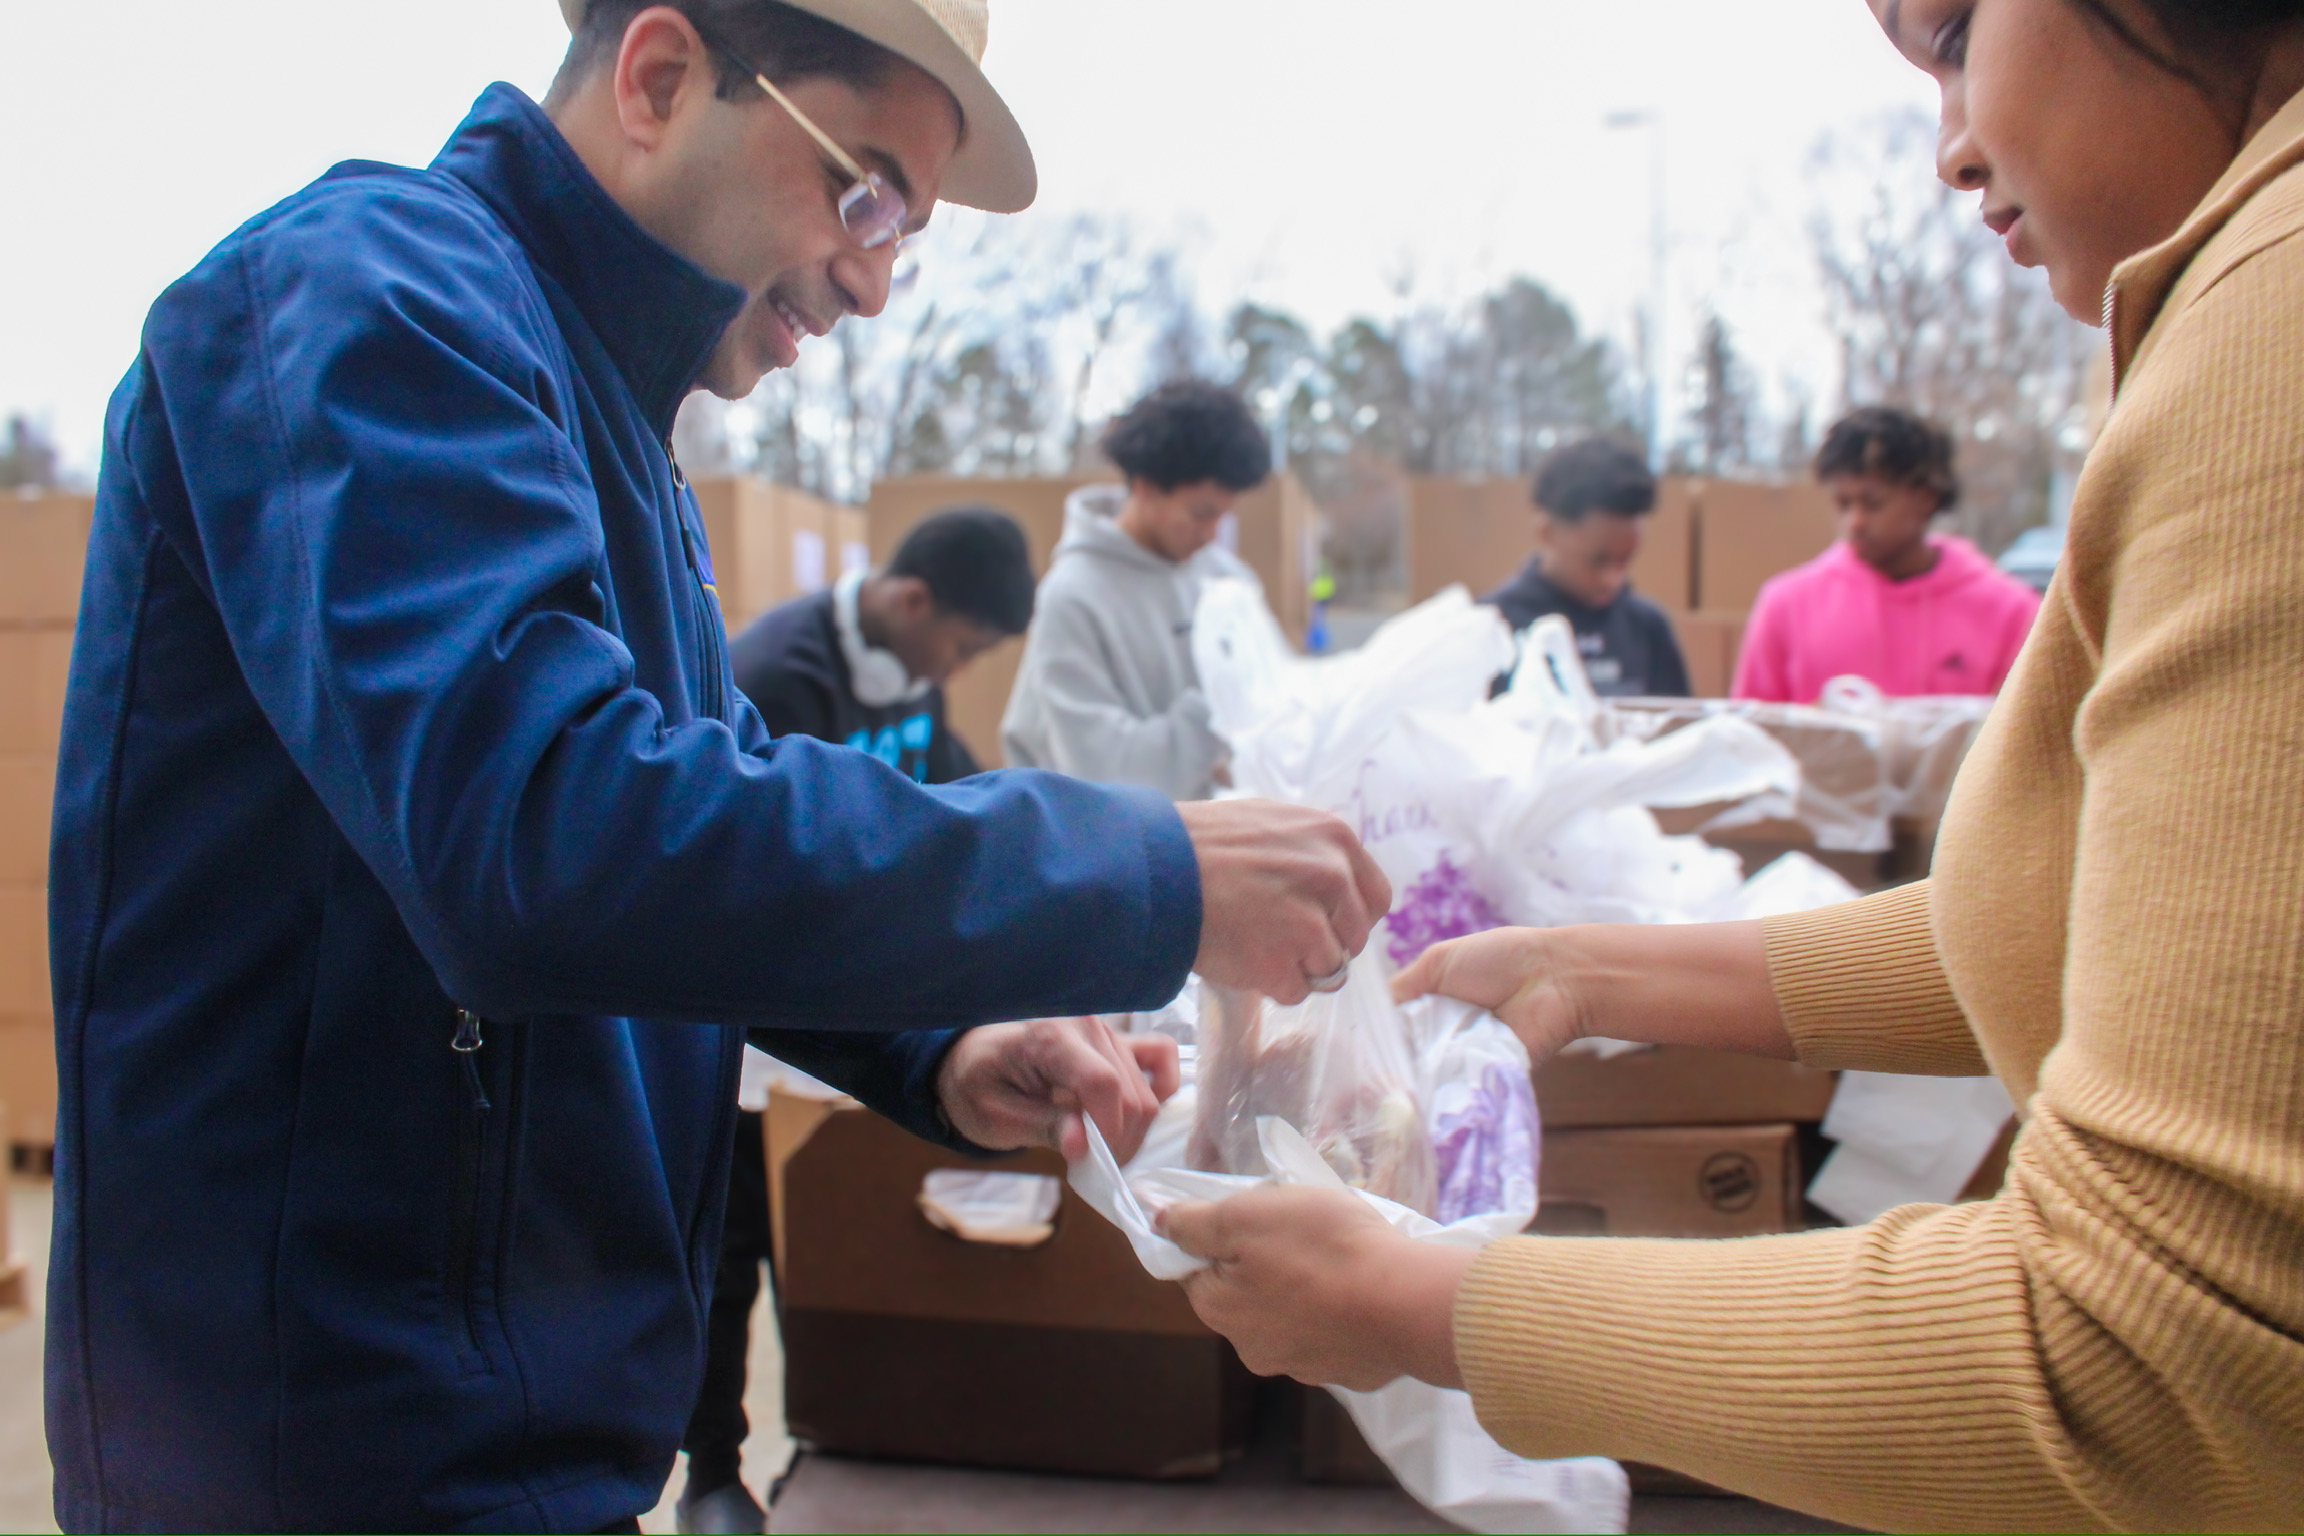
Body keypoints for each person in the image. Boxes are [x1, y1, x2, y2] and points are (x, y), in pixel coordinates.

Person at [45, 3, 1391, 1531]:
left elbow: (699, 816)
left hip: (510, 1415)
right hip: (320, 1445)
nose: (875, 278)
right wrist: (1148, 867)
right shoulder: (371, 301)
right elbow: (546, 832)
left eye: (909, 231)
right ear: (662, 77)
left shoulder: (611, 423)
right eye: (864, 187)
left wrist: (936, 1045)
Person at [1159, 1, 2304, 1531]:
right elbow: (2101, 925)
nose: (1954, 148)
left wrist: (1441, 1310)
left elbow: (2148, 1356)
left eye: (1959, 33)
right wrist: (1596, 972)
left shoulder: (2268, 326)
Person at [673, 506, 1031, 1533]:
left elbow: (961, 792)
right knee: (731, 1260)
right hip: (753, 1029)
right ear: (913, 601)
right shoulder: (775, 676)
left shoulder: (904, 664)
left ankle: (836, 1431)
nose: (953, 671)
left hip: (865, 1015)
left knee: (833, 1241)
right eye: (961, 645)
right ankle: (711, 1472)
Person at [1001, 380, 1271, 800]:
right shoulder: (1072, 597)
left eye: (1223, 516)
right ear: (1145, 486)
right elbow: (1106, 777)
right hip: (1113, 855)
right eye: (1201, 513)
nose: (1211, 533)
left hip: (1221, 841)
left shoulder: (1227, 578)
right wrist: (1222, 699)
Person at [1733, 406, 2042, 702]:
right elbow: (1750, 741)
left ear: (1927, 499)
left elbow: (2029, 744)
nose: (1855, 522)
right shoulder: (1786, 605)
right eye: (1843, 504)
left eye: (1873, 503)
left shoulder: (2011, 614)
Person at [1484, 438, 1691, 697]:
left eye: (1625, 560)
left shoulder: (1648, 629)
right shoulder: (1490, 626)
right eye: (1599, 561)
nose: (1613, 580)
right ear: (1547, 532)